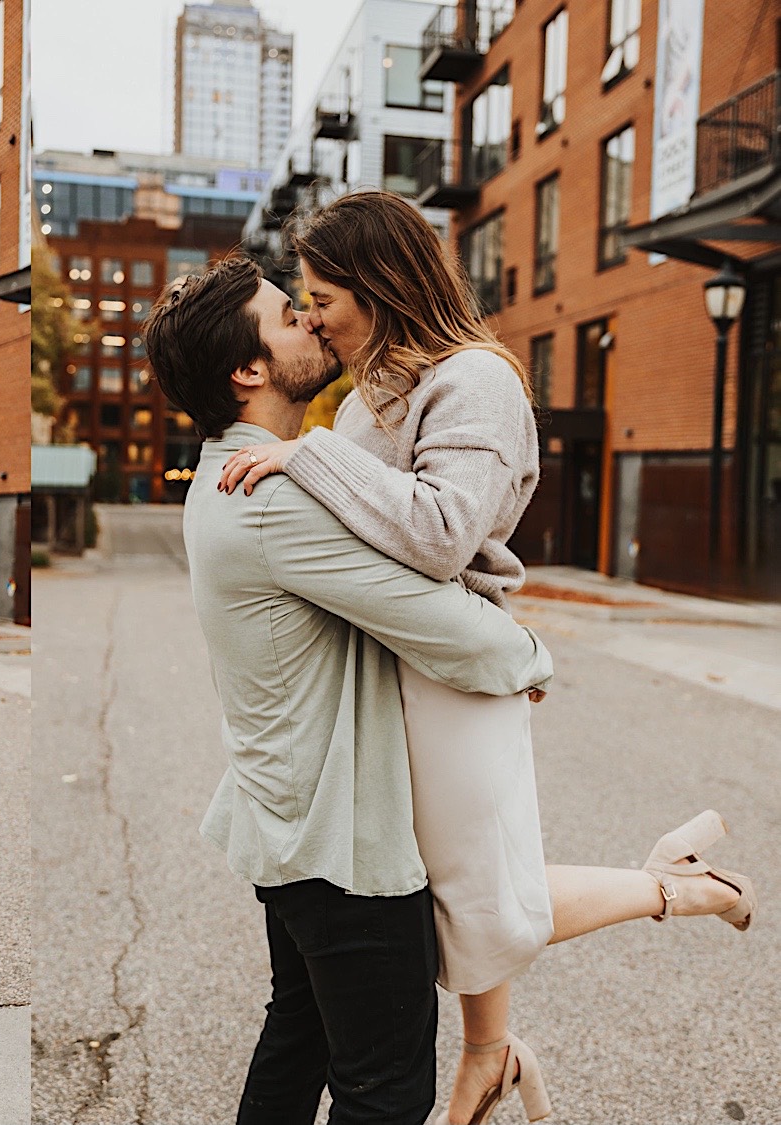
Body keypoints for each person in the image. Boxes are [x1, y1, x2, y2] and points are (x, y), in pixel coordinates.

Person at [208, 192, 756, 1125]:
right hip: (410, 661)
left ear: (377, 289)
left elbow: (441, 531)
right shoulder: (372, 394)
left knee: (479, 900)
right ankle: (494, 1053)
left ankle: (678, 888)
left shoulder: (477, 381)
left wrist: (304, 461)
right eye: (299, 303)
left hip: (460, 670)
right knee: (444, 904)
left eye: (321, 298)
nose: (312, 319)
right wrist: (313, 461)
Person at [144, 253, 554, 1125]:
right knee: (385, 1090)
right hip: (340, 849)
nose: (314, 321)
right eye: (291, 314)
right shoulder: (270, 499)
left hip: (287, 826)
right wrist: (527, 655)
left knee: (300, 1041)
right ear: (250, 370)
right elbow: (445, 623)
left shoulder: (243, 465)